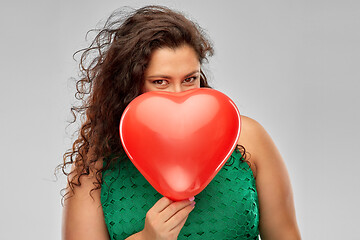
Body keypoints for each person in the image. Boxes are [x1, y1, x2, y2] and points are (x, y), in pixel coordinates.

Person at [60, 5, 301, 240]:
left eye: (189, 79)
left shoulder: (248, 138)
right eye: (160, 82)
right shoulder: (95, 164)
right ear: (129, 85)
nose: (178, 94)